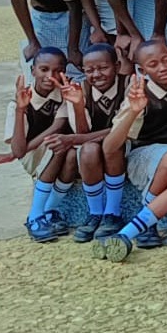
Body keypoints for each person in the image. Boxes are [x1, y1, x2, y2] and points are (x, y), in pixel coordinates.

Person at [91, 39, 167, 262]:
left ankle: (128, 233)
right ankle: (145, 218)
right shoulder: (139, 94)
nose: (163, 67)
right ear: (142, 70)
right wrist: (133, 111)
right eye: (153, 64)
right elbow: (110, 147)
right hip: (145, 157)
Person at [0, 50, 76, 242]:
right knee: (58, 144)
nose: (51, 76)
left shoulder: (65, 94)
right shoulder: (19, 101)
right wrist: (20, 110)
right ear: (33, 71)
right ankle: (35, 217)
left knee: (71, 153)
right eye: (44, 69)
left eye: (58, 70)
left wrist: (12, 155)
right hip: (33, 155)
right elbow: (19, 149)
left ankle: (49, 210)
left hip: (59, 147)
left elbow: (57, 126)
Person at [67, 44, 123, 242]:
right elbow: (83, 134)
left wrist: (77, 139)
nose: (96, 74)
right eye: (89, 70)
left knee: (112, 143)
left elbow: (123, 129)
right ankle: (96, 213)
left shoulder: (130, 86)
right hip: (95, 148)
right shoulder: (79, 90)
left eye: (103, 68)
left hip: (127, 147)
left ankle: (113, 213)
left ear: (117, 66)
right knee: (88, 150)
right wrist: (78, 105)